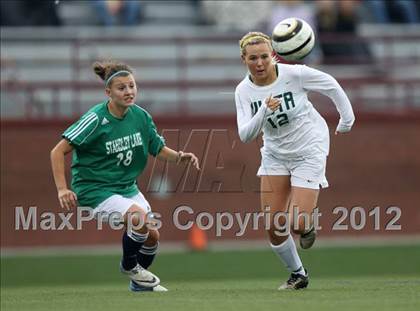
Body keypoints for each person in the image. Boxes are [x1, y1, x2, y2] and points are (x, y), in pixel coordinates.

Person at [50, 60, 200, 292]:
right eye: (122, 88)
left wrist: (180, 157)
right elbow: (58, 151)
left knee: (152, 237)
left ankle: (138, 284)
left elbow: (157, 148)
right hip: (95, 190)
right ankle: (129, 266)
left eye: (132, 86)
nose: (129, 92)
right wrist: (62, 188)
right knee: (138, 219)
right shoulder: (95, 119)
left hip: (126, 187)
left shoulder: (140, 116)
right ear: (108, 92)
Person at [234, 32, 355, 290]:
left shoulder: (294, 74)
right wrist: (264, 110)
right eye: (253, 58)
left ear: (273, 56)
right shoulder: (243, 91)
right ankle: (298, 274)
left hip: (309, 148)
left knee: (297, 223)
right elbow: (245, 135)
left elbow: (331, 84)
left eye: (264, 56)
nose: (259, 63)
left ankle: (307, 223)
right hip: (275, 154)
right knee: (274, 226)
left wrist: (347, 119)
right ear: (243, 59)